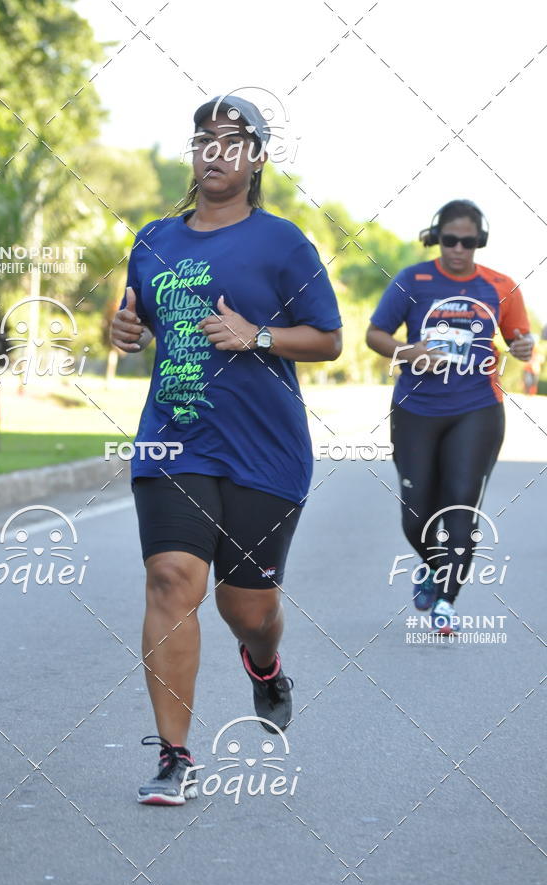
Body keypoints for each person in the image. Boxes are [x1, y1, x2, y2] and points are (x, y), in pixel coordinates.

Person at [110, 95, 342, 804]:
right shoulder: (152, 240)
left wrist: (258, 336)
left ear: (257, 158)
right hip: (173, 441)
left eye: (234, 141)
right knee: (171, 578)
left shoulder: (283, 243)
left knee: (247, 608)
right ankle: (174, 755)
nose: (216, 150)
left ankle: (266, 666)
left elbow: (328, 339)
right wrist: (119, 333)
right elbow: (137, 319)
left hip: (264, 453)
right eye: (204, 138)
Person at [366, 199, 533, 634]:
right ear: (436, 237)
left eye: (469, 242)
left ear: (480, 241)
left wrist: (524, 348)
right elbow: (375, 334)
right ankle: (433, 567)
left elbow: (521, 338)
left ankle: (447, 602)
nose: (458, 249)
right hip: (416, 409)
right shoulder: (412, 280)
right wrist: (411, 351)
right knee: (416, 512)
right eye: (450, 240)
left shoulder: (501, 286)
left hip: (477, 408)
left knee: (460, 505)